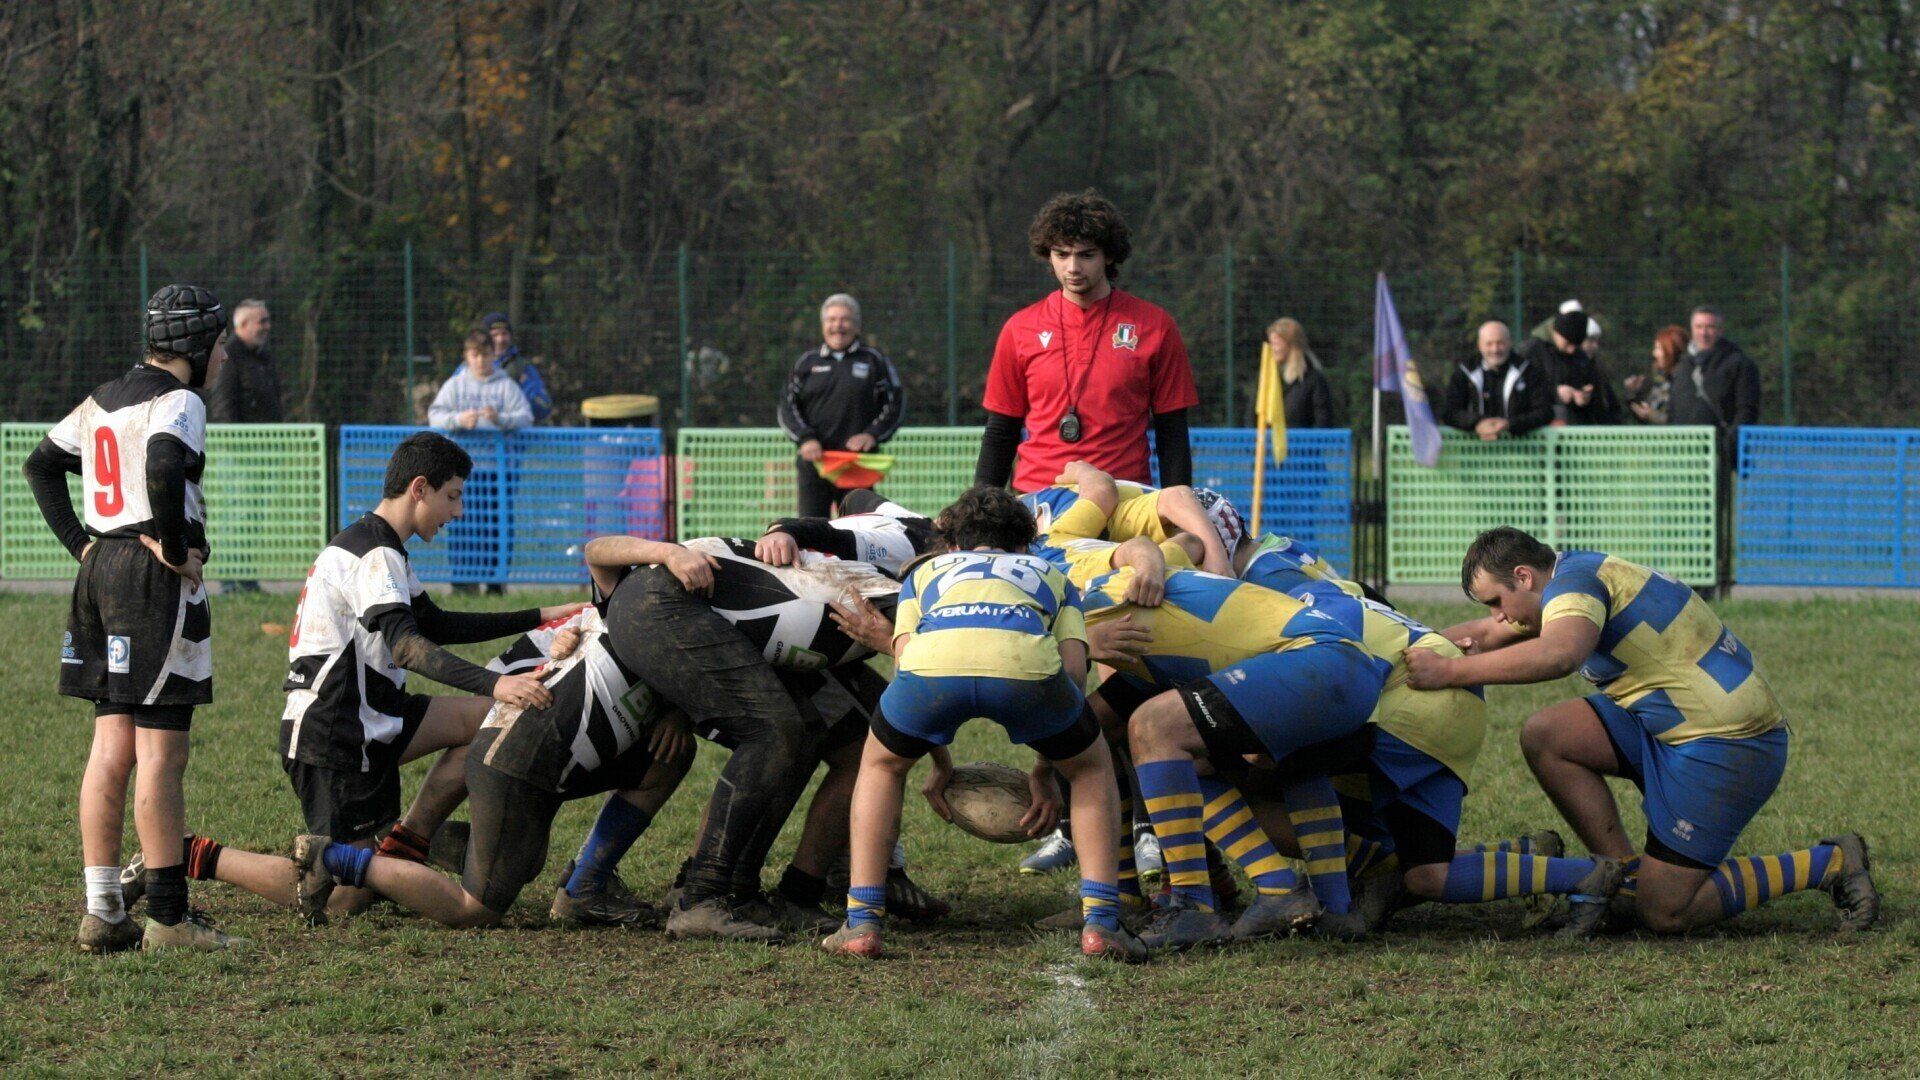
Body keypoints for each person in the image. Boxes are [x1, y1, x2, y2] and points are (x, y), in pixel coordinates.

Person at [1403, 527, 1879, 935]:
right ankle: (1624, 880)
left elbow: (1559, 654)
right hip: (1674, 722)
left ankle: (1830, 862)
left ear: (1524, 576)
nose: (1497, 615)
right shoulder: (1572, 575)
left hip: (1728, 742)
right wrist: (1404, 648)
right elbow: (1485, 636)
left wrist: (1448, 672)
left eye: (1496, 602)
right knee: (1547, 734)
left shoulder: (1574, 589)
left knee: (1666, 912)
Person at [819, 485, 1146, 962]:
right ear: (1024, 544)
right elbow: (1075, 672)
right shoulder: (1051, 573)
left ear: (953, 542)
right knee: (1091, 768)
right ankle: (1101, 923)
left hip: (930, 673)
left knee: (881, 766)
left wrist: (939, 762)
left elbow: (906, 661)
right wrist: (1049, 765)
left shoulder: (925, 571)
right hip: (1028, 671)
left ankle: (862, 921)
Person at [281, 432, 581, 918]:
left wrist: (542, 615)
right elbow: (408, 648)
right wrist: (497, 682)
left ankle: (411, 837)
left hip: (371, 716)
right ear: (419, 488)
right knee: (345, 897)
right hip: (334, 734)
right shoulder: (374, 553)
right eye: (453, 496)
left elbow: (436, 625)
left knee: (493, 720)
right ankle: (204, 857)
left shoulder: (383, 547)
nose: (457, 512)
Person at [22, 284, 232, 952]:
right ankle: (169, 919)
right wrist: (173, 547)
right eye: (220, 344)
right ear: (198, 345)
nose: (224, 357)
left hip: (100, 572)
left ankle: (105, 910)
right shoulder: (181, 400)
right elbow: (164, 464)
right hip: (148, 579)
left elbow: (40, 465)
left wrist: (83, 547)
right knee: (161, 753)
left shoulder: (103, 398)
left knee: (111, 748)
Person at [291, 600, 697, 928]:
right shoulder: (614, 611)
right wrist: (552, 648)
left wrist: (678, 708)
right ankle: (338, 858)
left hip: (553, 753)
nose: (455, 515)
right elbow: (598, 554)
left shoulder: (644, 613)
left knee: (529, 861)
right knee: (475, 908)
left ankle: (403, 840)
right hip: (522, 756)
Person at [975, 190, 1198, 494]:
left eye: (1086, 255)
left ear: (1109, 255)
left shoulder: (1155, 326)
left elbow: (1172, 430)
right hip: (1038, 499)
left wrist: (1177, 505)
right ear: (1048, 255)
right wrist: (980, 507)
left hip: (1124, 500)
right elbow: (1001, 430)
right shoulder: (1020, 328)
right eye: (1062, 254)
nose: (1073, 268)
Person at [777, 294, 905, 517]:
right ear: (823, 325)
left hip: (857, 464)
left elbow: (895, 403)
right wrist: (806, 438)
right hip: (816, 462)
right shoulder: (807, 362)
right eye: (832, 320)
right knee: (811, 528)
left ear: (857, 326)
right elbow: (787, 406)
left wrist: (872, 434)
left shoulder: (873, 360)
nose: (838, 326)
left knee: (857, 527)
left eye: (845, 319)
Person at [206, 298, 283, 594]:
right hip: (239, 454)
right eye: (261, 321)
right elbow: (223, 406)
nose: (267, 326)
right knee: (236, 514)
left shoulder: (263, 357)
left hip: (263, 452)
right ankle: (230, 580)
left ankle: (247, 578)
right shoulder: (230, 357)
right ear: (243, 325)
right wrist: (239, 447)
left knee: (253, 516)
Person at [1441, 321, 1554, 439]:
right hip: (1473, 448)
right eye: (1489, 344)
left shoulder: (1529, 372)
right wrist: (1477, 423)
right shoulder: (1464, 373)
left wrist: (1509, 424)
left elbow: (1545, 412)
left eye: (1500, 343)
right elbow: (1450, 412)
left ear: (1510, 343)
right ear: (1480, 345)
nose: (1495, 349)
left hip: (1521, 447)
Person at [1669, 305, 1762, 439]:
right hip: (1685, 447)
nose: (1703, 333)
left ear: (1720, 330)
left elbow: (1747, 411)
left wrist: (1729, 443)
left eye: (1710, 327)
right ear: (1692, 329)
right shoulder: (1682, 366)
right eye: (1698, 327)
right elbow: (1673, 410)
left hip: (1722, 449)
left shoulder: (1740, 365)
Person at [1520, 308, 1618, 425]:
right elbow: (1522, 390)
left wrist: (1584, 397)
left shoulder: (1580, 356)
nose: (1571, 350)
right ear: (1557, 333)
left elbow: (1594, 392)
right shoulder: (1531, 351)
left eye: (1576, 345)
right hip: (1541, 425)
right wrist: (1555, 393)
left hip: (1573, 425)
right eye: (1568, 343)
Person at [430, 331, 534, 432]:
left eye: (485, 355)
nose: (480, 360)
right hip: (458, 444)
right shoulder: (454, 385)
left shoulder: (507, 386)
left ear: (493, 355)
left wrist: (499, 418)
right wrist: (459, 420)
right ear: (466, 356)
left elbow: (527, 418)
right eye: (475, 355)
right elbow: (434, 417)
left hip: (498, 444)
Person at [1267, 317, 1340, 429]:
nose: (1272, 349)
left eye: (1276, 344)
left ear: (1291, 345)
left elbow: (1323, 421)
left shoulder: (1315, 380)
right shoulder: (1267, 379)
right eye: (1271, 344)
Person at [479, 311, 552, 422]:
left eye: (504, 334)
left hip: (511, 430)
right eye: (494, 335)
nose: (500, 340)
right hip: (477, 431)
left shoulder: (522, 367)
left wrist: (525, 387)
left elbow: (544, 408)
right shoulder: (467, 368)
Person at [1625, 325, 1686, 424]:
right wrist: (1633, 394)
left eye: (1659, 349)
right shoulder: (1663, 381)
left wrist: (1656, 417)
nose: (1654, 353)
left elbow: (1682, 420)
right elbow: (1648, 413)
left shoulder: (1686, 383)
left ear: (1671, 351)